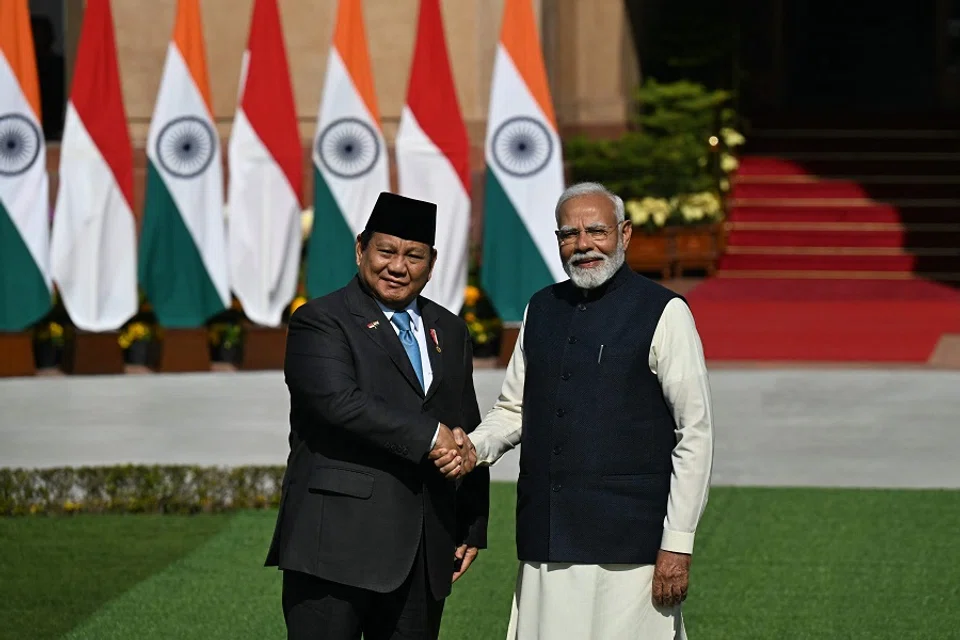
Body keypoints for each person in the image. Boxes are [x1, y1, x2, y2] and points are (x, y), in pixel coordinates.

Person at [444, 182, 714, 638]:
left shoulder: (664, 311)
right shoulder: (541, 307)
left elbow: (696, 432)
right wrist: (473, 448)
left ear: (624, 234)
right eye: (570, 234)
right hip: (548, 536)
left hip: (633, 546)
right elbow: (514, 409)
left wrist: (678, 544)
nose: (583, 245)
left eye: (596, 231)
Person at [267, 192, 489, 640]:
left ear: (432, 262)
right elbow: (338, 404)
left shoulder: (449, 329)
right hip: (334, 547)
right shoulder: (320, 320)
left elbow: (465, 426)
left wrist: (471, 523)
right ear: (360, 249)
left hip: (425, 548)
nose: (398, 266)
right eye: (386, 251)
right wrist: (431, 436)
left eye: (414, 255)